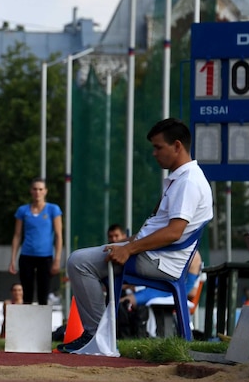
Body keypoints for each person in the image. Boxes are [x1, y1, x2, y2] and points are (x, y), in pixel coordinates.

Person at [58, 118, 213, 353]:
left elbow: (174, 232)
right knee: (90, 257)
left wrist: (128, 248)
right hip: (152, 254)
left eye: (158, 147)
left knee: (78, 262)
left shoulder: (189, 182)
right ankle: (99, 335)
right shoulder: (181, 179)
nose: (154, 153)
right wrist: (124, 243)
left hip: (159, 260)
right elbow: (158, 229)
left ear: (178, 146)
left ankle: (97, 337)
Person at [9, 178, 63, 305]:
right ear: (31, 191)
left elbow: (58, 235)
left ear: (45, 191)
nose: (37, 192)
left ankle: (42, 323)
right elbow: (17, 235)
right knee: (27, 293)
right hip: (27, 255)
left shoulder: (52, 209)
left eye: (40, 189)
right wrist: (12, 259)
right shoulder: (23, 210)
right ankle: (27, 323)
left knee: (43, 294)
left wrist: (57, 259)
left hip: (45, 257)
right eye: (35, 189)